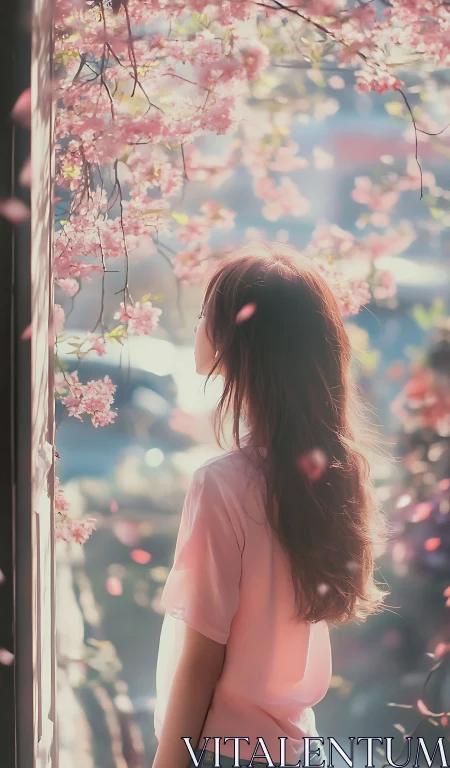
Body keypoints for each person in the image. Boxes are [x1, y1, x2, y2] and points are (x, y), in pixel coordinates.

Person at [153, 242, 389, 768]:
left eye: (207, 313)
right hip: (299, 747)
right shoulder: (334, 475)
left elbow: (202, 657)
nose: (199, 324)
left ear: (238, 340)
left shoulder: (222, 484)